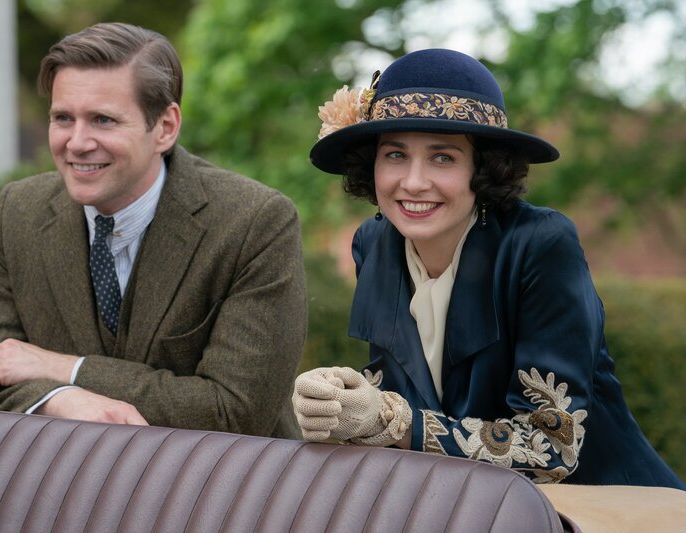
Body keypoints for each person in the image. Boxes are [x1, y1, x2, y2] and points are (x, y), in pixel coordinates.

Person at [292, 48, 685, 488]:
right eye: (395, 155)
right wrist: (345, 400)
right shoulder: (374, 243)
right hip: (466, 508)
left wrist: (390, 421)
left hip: (605, 507)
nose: (414, 181)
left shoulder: (541, 243)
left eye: (443, 157)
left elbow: (551, 447)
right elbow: (403, 402)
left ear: (483, 169)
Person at [0, 22, 307, 439]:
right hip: (71, 491)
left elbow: (234, 413)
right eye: (63, 118)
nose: (77, 142)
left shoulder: (255, 222)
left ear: (166, 128)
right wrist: (61, 399)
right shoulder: (19, 212)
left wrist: (66, 368)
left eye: (102, 120)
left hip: (221, 492)